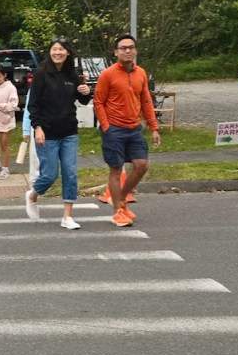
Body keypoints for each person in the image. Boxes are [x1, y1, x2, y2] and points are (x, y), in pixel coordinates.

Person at [93, 34, 161, 227]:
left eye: (131, 47)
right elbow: (98, 102)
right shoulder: (108, 74)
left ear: (136, 50)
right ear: (116, 52)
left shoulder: (141, 73)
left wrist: (154, 127)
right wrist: (106, 126)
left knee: (142, 165)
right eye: (123, 48)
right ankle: (117, 212)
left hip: (134, 128)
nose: (127, 51)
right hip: (114, 129)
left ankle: (121, 199)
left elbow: (146, 101)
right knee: (116, 170)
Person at [24, 39, 93, 229]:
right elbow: (33, 104)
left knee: (70, 173)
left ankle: (67, 217)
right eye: (54, 49)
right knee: (50, 175)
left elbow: (83, 99)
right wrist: (37, 128)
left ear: (68, 52)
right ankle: (33, 195)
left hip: (69, 131)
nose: (57, 52)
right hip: (47, 132)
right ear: (50, 52)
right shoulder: (41, 73)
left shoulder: (72, 73)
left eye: (61, 49)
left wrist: (87, 91)